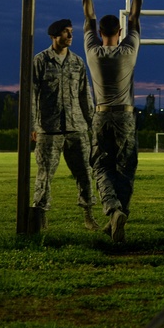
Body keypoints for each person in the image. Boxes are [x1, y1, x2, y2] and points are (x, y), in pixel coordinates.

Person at [78, 0, 147, 243]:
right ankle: (120, 213)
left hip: (101, 115)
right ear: (119, 31)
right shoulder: (128, 50)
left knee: (102, 167)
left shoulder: (92, 52)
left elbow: (88, 15)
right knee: (125, 168)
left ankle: (113, 212)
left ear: (99, 32)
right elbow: (135, 16)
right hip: (125, 117)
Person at [30, 18, 98, 232]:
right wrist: (32, 125)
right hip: (49, 129)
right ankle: (40, 218)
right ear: (54, 36)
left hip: (76, 128)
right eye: (65, 33)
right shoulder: (40, 61)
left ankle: (89, 216)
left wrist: (91, 124)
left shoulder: (77, 62)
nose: (70, 36)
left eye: (71, 32)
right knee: (45, 175)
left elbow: (85, 95)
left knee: (85, 174)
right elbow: (32, 95)